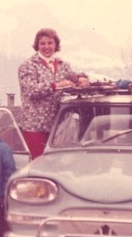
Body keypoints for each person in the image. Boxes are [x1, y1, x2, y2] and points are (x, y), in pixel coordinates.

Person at [18, 27, 89, 158]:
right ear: (37, 45)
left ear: (56, 45)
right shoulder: (28, 66)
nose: (46, 47)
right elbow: (31, 91)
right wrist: (57, 85)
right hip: (35, 126)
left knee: (55, 163)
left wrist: (82, 79)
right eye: (42, 43)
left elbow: (73, 76)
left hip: (58, 125)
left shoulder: (62, 64)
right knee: (38, 163)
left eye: (50, 43)